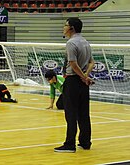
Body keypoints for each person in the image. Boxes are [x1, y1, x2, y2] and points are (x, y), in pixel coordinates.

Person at [54, 17, 95, 153]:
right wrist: (86, 77)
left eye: (65, 25)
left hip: (72, 81)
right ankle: (85, 142)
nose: (63, 28)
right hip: (83, 83)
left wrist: (83, 76)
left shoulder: (71, 43)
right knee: (84, 113)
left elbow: (73, 63)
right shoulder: (85, 42)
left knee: (71, 114)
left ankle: (69, 144)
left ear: (71, 28)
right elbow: (91, 63)